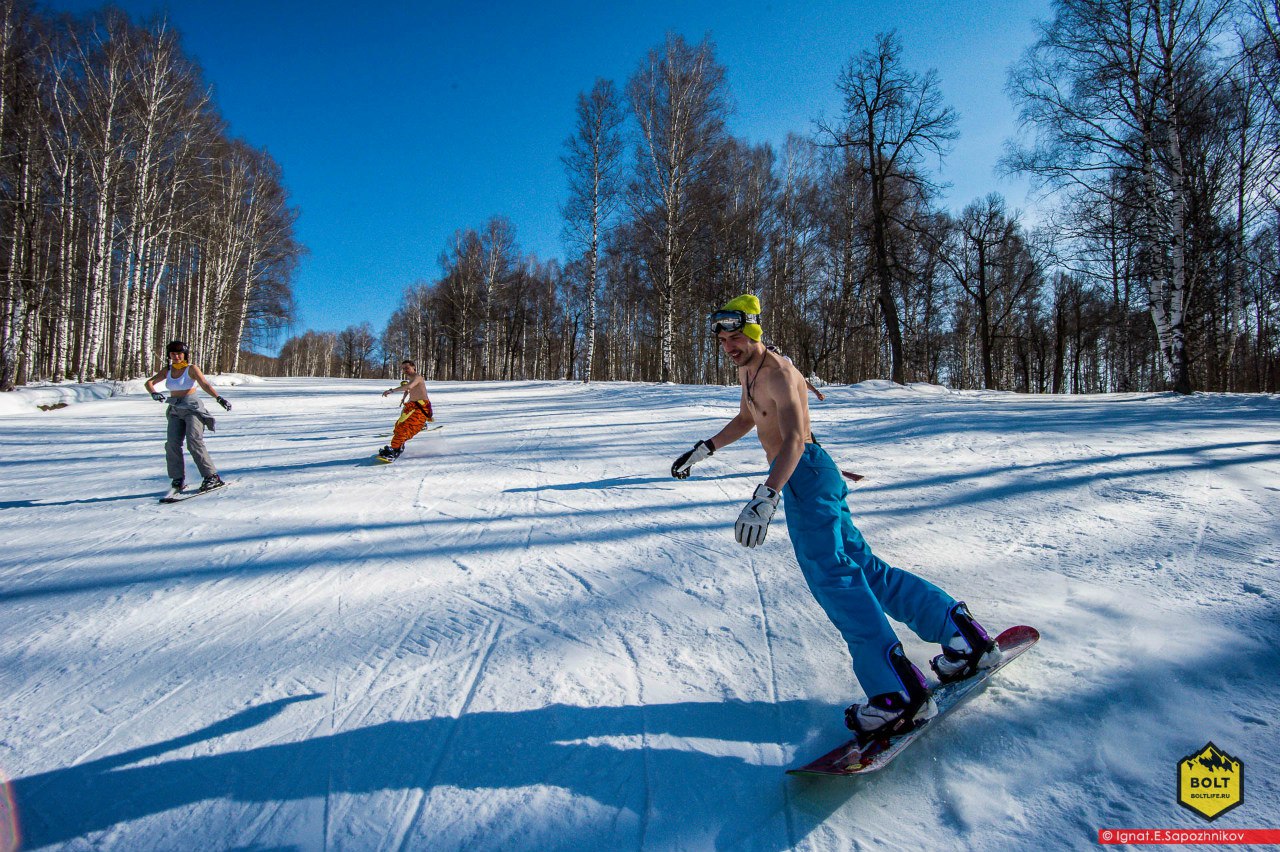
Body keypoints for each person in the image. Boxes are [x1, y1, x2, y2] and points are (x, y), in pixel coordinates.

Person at [670, 294, 1002, 745]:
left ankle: (895, 692)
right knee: (865, 571)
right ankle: (961, 634)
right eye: (723, 339)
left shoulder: (779, 372)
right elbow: (749, 415)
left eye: (736, 337)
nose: (728, 346)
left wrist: (767, 495)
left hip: (803, 474)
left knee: (835, 578)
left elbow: (792, 441)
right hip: (813, 476)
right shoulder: (749, 372)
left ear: (753, 332)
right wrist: (706, 447)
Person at [143, 340, 230, 495]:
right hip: (175, 408)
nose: (176, 356)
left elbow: (205, 385)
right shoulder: (167, 370)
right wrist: (154, 393)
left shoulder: (191, 369)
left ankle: (212, 476)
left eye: (179, 353)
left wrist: (219, 398)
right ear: (169, 355)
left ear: (185, 355)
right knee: (172, 444)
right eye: (173, 353)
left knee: (193, 441)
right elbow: (149, 383)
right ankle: (177, 478)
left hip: (192, 408)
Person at [378, 360, 433, 462]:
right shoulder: (411, 379)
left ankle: (394, 450)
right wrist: (404, 399)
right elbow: (408, 390)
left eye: (407, 368)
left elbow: (408, 387)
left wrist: (391, 390)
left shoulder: (418, 377)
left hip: (421, 408)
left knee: (405, 429)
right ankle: (398, 446)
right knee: (399, 426)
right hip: (412, 406)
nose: (405, 370)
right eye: (403, 369)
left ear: (413, 367)